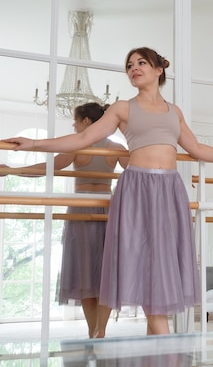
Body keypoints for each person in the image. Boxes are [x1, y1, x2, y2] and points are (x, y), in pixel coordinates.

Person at [3, 47, 213, 336]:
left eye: (141, 63)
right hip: (136, 187)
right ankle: (161, 340)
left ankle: (154, 346)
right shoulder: (122, 108)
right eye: (130, 65)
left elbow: (196, 148)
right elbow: (82, 137)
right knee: (142, 257)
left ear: (159, 70)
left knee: (163, 259)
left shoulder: (175, 112)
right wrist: (34, 144)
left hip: (169, 188)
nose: (134, 68)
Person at [0, 102, 128, 338]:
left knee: (86, 271)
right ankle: (100, 330)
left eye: (76, 120)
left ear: (86, 122)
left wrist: (12, 171)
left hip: (81, 209)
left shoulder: (78, 147)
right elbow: (140, 170)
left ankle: (94, 331)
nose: (73, 125)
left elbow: (48, 168)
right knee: (104, 273)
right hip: (107, 209)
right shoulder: (117, 148)